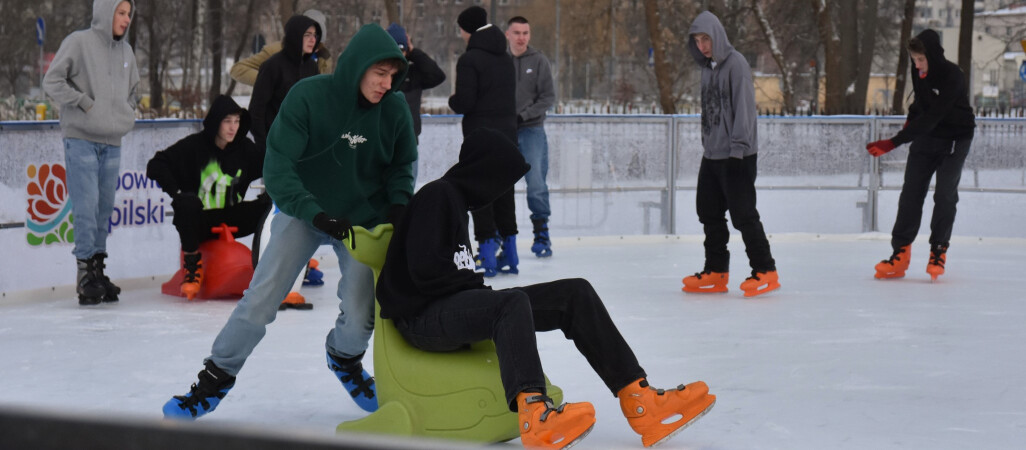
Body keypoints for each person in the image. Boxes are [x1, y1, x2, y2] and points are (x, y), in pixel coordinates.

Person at [376, 128, 716, 449]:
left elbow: (451, 276)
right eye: (501, 178)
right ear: (484, 169)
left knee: (574, 293)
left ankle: (639, 400)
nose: (501, 189)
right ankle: (535, 416)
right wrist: (481, 293)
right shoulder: (439, 195)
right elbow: (426, 270)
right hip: (421, 317)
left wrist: (478, 294)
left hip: (447, 306)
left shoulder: (457, 203)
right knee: (509, 303)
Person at [163, 23, 417, 420]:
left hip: (361, 220)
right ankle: (214, 378)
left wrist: (400, 205)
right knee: (261, 299)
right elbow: (278, 167)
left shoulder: (395, 109)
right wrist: (313, 212)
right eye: (379, 74)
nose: (387, 84)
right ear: (357, 68)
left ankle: (344, 358)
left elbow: (403, 165)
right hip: (304, 212)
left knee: (362, 310)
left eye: (393, 76)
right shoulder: (308, 97)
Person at [43, 0, 139, 306]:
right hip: (82, 138)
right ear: (106, 12)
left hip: (112, 141)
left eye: (128, 14)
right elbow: (52, 80)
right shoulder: (79, 42)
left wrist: (126, 112)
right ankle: (84, 275)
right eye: (120, 13)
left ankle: (97, 271)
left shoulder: (126, 52)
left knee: (103, 210)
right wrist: (84, 102)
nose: (125, 20)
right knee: (86, 208)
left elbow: (134, 90)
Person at [682, 11, 780, 298]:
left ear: (717, 36)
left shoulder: (736, 64)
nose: (702, 46)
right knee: (708, 212)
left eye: (706, 39)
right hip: (712, 153)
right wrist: (708, 143)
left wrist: (737, 149)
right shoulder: (707, 69)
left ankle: (766, 269)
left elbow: (745, 110)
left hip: (737, 154)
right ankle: (716, 271)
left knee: (744, 214)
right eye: (697, 41)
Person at [866, 29, 975, 281]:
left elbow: (935, 115)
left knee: (944, 193)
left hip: (955, 137)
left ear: (934, 56)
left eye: (921, 60)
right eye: (914, 60)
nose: (917, 65)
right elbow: (920, 106)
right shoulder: (918, 72)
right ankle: (900, 253)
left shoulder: (952, 75)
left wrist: (894, 142)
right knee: (911, 193)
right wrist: (908, 124)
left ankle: (938, 251)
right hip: (927, 136)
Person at [145, 95, 271, 299]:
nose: (233, 128)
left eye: (237, 122)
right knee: (185, 205)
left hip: (233, 217)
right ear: (216, 122)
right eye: (227, 121)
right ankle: (192, 268)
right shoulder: (194, 146)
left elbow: (273, 165)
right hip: (200, 219)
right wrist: (177, 193)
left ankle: (270, 265)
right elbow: (157, 164)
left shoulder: (244, 148)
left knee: (270, 206)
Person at [448, 6, 519, 277]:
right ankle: (510, 254)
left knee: (480, 191)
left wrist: (452, 100)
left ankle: (487, 254)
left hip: (480, 135)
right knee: (505, 189)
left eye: (462, 30)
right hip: (508, 133)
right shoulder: (505, 57)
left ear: (468, 29)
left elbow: (465, 101)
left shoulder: (470, 60)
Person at [506, 16, 555, 258]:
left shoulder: (538, 61)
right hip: (504, 130)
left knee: (535, 182)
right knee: (500, 184)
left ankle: (541, 233)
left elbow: (548, 97)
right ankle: (500, 236)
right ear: (508, 35)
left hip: (532, 129)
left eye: (525, 32)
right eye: (517, 32)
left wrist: (524, 116)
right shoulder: (500, 61)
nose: (521, 37)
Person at [249, 14, 321, 151]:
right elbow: (256, 110)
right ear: (295, 36)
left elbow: (317, 106)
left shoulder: (312, 67)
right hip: (276, 145)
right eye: (307, 35)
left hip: (305, 146)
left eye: (315, 35)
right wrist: (265, 146)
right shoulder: (273, 66)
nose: (313, 39)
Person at [386, 23, 446, 183]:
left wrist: (414, 53)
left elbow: (438, 76)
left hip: (410, 140)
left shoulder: (414, 73)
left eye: (403, 50)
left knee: (407, 186)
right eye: (396, 50)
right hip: (385, 141)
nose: (400, 55)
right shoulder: (381, 75)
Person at [229, 9, 332, 86]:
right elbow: (237, 69)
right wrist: (270, 81)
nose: (313, 43)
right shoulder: (276, 51)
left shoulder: (324, 58)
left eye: (317, 40)